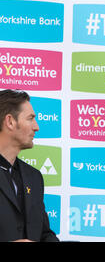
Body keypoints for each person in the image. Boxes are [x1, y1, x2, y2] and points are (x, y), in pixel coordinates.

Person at [0, 89, 59, 242]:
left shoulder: (34, 177)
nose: (36, 127)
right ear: (10, 121)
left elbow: (45, 234)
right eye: (30, 118)